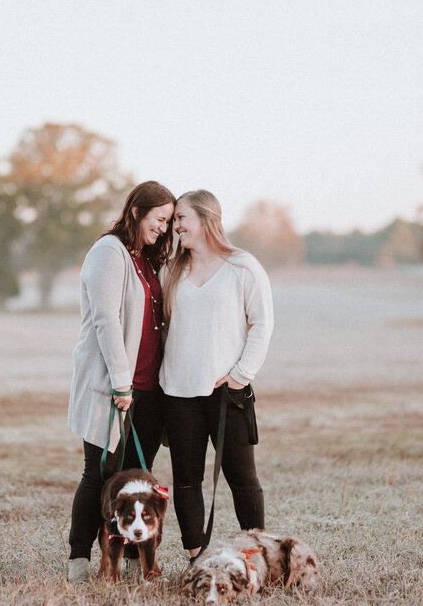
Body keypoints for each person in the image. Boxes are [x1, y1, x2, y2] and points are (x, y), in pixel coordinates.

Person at [66, 180, 176, 583]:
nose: (163, 229)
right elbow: (105, 320)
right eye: (159, 219)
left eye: (168, 222)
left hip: (150, 388)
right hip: (115, 389)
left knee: (136, 478)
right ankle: (79, 560)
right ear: (136, 211)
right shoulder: (108, 252)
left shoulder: (146, 260)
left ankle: (133, 559)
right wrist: (121, 382)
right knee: (98, 475)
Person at [159, 189, 274, 560]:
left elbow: (262, 323)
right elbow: (162, 329)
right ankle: (197, 558)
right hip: (178, 393)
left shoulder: (243, 267)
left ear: (207, 218)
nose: (175, 227)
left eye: (181, 218)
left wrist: (240, 375)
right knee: (187, 480)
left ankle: (254, 558)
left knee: (242, 481)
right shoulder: (171, 271)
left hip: (228, 394)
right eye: (174, 220)